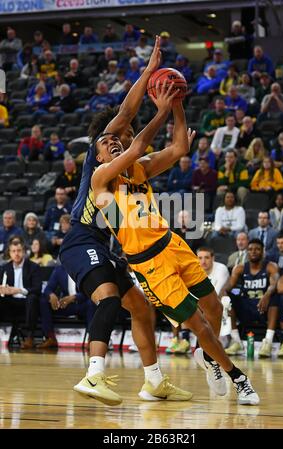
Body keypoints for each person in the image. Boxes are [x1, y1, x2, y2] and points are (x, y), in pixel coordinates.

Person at [91, 82, 259, 405]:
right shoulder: (101, 180)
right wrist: (163, 109)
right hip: (149, 264)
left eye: (115, 139)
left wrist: (178, 102)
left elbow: (181, 147)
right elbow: (136, 148)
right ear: (98, 157)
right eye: (106, 143)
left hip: (173, 245)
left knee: (213, 307)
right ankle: (238, 377)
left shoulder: (137, 170)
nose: (112, 143)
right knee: (199, 323)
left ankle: (209, 358)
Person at [60, 38, 193, 406]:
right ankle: (94, 374)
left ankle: (153, 381)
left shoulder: (128, 173)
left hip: (101, 246)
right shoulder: (97, 161)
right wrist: (155, 88)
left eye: (123, 138)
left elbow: (150, 146)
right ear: (101, 144)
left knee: (140, 307)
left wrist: (161, 92)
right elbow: (127, 117)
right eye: (113, 137)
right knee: (109, 299)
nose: (119, 141)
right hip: (80, 240)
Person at [225, 239, 279, 358]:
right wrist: (223, 295)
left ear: (262, 251)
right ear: (246, 252)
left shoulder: (271, 266)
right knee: (228, 299)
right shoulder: (239, 268)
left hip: (263, 308)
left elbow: (275, 284)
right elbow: (227, 287)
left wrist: (266, 295)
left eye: (257, 249)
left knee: (274, 296)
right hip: (246, 308)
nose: (253, 252)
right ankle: (236, 341)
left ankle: (268, 342)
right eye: (250, 249)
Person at [38, 264, 96, 348]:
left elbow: (89, 291)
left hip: (82, 304)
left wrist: (74, 297)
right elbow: (48, 288)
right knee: (43, 301)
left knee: (91, 302)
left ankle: (92, 339)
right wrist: (51, 295)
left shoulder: (85, 268)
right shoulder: (59, 270)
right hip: (65, 305)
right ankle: (50, 338)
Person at [0, 240, 42, 349]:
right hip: (10, 302)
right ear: (9, 253)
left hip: (27, 301)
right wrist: (3, 290)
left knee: (32, 298)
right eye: (13, 251)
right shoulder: (5, 268)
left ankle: (29, 337)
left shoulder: (33, 267)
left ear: (23, 252)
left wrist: (19, 290)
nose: (16, 253)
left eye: (19, 250)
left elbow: (37, 289)